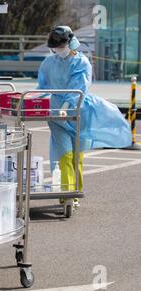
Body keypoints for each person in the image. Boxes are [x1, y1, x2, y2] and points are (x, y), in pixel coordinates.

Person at [38, 26, 131, 207]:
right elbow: (42, 88)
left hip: (78, 113)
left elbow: (79, 88)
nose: (58, 50)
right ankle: (67, 195)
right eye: (55, 47)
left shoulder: (82, 63)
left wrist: (67, 106)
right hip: (56, 115)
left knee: (77, 157)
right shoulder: (49, 63)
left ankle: (76, 192)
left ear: (71, 43)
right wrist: (26, 100)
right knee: (64, 156)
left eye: (61, 46)